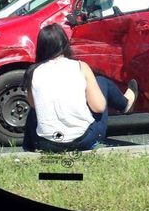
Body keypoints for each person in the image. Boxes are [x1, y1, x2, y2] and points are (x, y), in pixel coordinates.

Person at [21, 23, 137, 152]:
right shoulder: (80, 66)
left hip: (46, 144)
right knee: (101, 81)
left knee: (33, 111)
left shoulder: (33, 72)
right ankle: (125, 104)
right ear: (65, 43)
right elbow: (98, 108)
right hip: (83, 140)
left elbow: (33, 104)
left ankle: (27, 148)